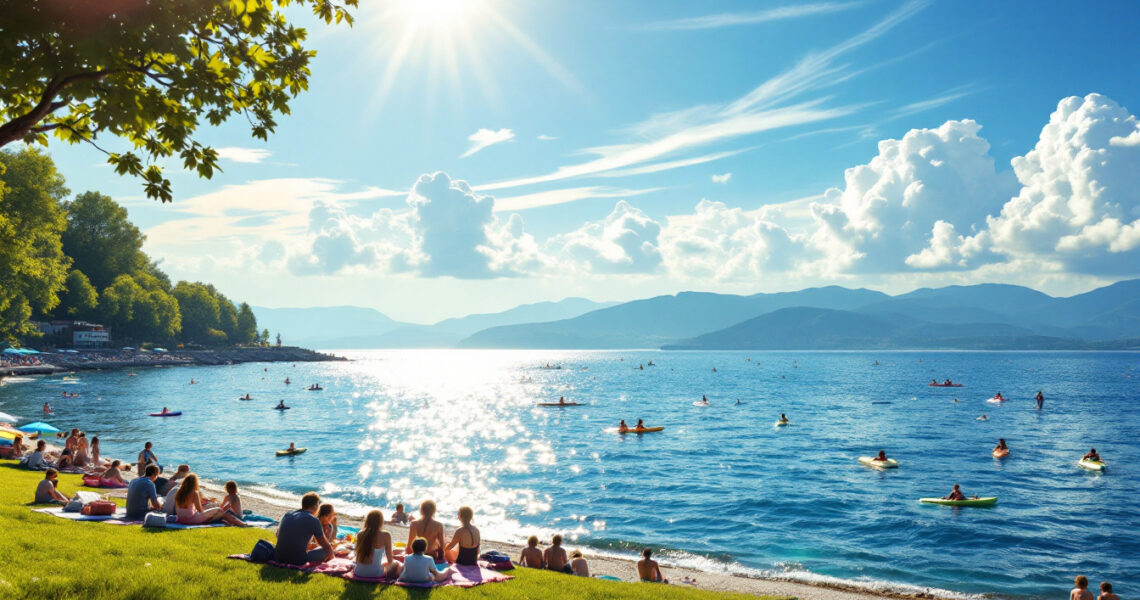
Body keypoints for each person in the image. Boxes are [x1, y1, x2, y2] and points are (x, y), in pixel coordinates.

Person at [276, 492, 333, 565]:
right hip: (298, 561)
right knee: (327, 550)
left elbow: (277, 534)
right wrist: (333, 558)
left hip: (278, 557)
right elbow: (325, 546)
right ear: (316, 506)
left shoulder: (288, 514)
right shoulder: (313, 520)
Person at [175, 474, 245, 526]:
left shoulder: (179, 492)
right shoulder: (194, 492)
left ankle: (235, 522)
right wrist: (208, 513)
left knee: (216, 511)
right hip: (191, 520)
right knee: (219, 510)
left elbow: (179, 508)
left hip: (180, 519)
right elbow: (200, 510)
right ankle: (242, 524)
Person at [354, 510, 402, 579]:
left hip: (358, 572)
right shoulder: (386, 535)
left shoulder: (360, 534)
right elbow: (390, 560)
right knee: (396, 564)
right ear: (380, 522)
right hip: (376, 574)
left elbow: (357, 557)